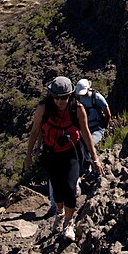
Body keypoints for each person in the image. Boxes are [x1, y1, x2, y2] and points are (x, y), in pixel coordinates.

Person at [24, 76, 103, 241]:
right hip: (51, 152)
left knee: (70, 188)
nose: (61, 101)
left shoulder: (77, 108)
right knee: (57, 190)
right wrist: (28, 156)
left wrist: (95, 158)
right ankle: (59, 213)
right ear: (52, 96)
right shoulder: (43, 108)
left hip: (71, 152)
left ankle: (68, 223)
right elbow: (35, 131)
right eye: (58, 98)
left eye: (65, 97)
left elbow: (86, 133)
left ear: (71, 95)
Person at [75, 78, 111, 150]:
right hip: (83, 129)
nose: (82, 95)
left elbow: (108, 114)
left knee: (88, 145)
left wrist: (104, 126)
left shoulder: (97, 98)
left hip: (96, 128)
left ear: (88, 89)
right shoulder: (77, 98)